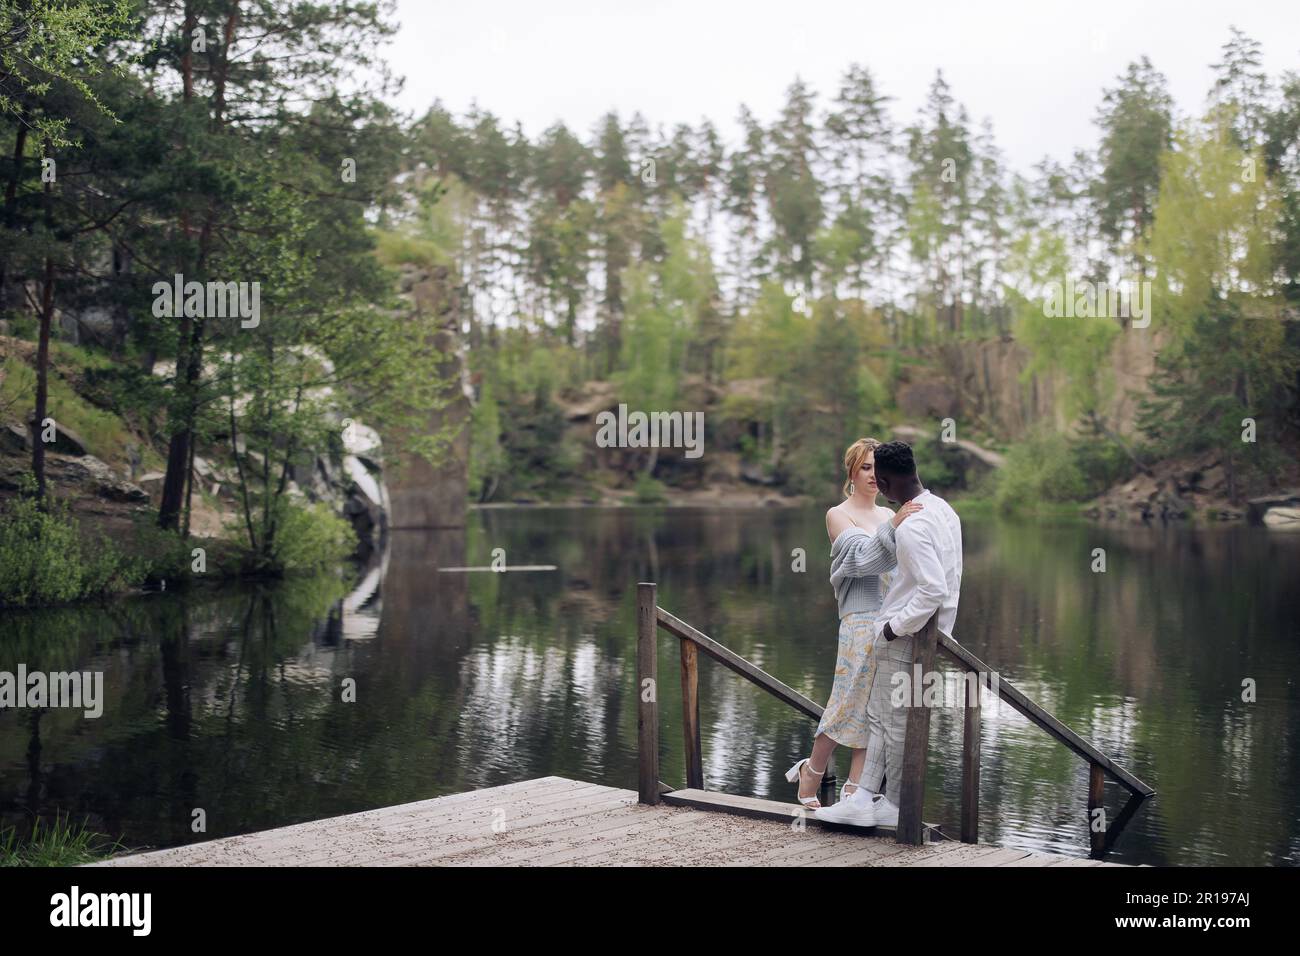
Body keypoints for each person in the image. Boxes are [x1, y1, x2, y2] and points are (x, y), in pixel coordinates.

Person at [815, 439, 962, 828]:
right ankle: (866, 797)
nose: (871, 480)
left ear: (883, 478)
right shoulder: (943, 511)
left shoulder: (911, 525)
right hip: (925, 633)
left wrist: (895, 628)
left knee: (890, 722)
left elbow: (933, 590)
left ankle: (890, 804)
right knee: (884, 719)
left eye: (873, 472)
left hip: (907, 634)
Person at [786, 438, 921, 809]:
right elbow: (861, 560)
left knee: (876, 708)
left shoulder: (888, 515)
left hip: (892, 622)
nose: (873, 475)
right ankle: (811, 771)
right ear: (851, 472)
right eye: (865, 467)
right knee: (847, 701)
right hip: (860, 621)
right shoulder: (838, 514)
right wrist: (895, 524)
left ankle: (855, 792)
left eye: (877, 467)